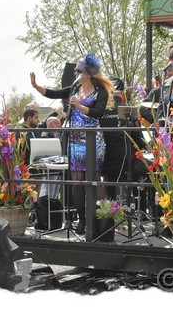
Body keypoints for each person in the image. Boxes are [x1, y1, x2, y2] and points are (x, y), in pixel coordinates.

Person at [31, 53, 114, 233]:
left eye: (79, 70)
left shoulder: (100, 91)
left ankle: (104, 220)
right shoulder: (74, 89)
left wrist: (80, 106)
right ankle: (82, 220)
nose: (76, 73)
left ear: (89, 72)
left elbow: (98, 113)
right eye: (75, 70)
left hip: (93, 140)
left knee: (93, 180)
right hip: (75, 141)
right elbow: (54, 92)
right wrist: (37, 86)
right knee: (76, 183)